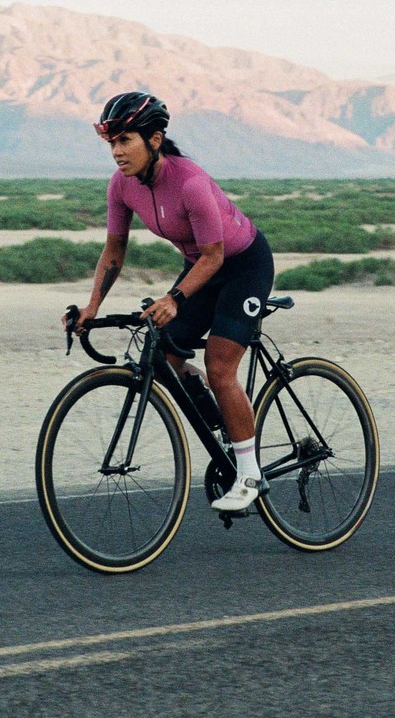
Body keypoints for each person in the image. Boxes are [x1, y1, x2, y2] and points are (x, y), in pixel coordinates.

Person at [71, 91, 275, 512]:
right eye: (112, 143)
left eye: (126, 140)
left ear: (155, 139)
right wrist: (91, 307)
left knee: (221, 367)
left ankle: (250, 475)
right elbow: (114, 250)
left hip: (242, 266)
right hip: (201, 267)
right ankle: (223, 418)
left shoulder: (190, 183)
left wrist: (175, 297)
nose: (117, 152)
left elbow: (215, 256)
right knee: (163, 352)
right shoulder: (121, 186)